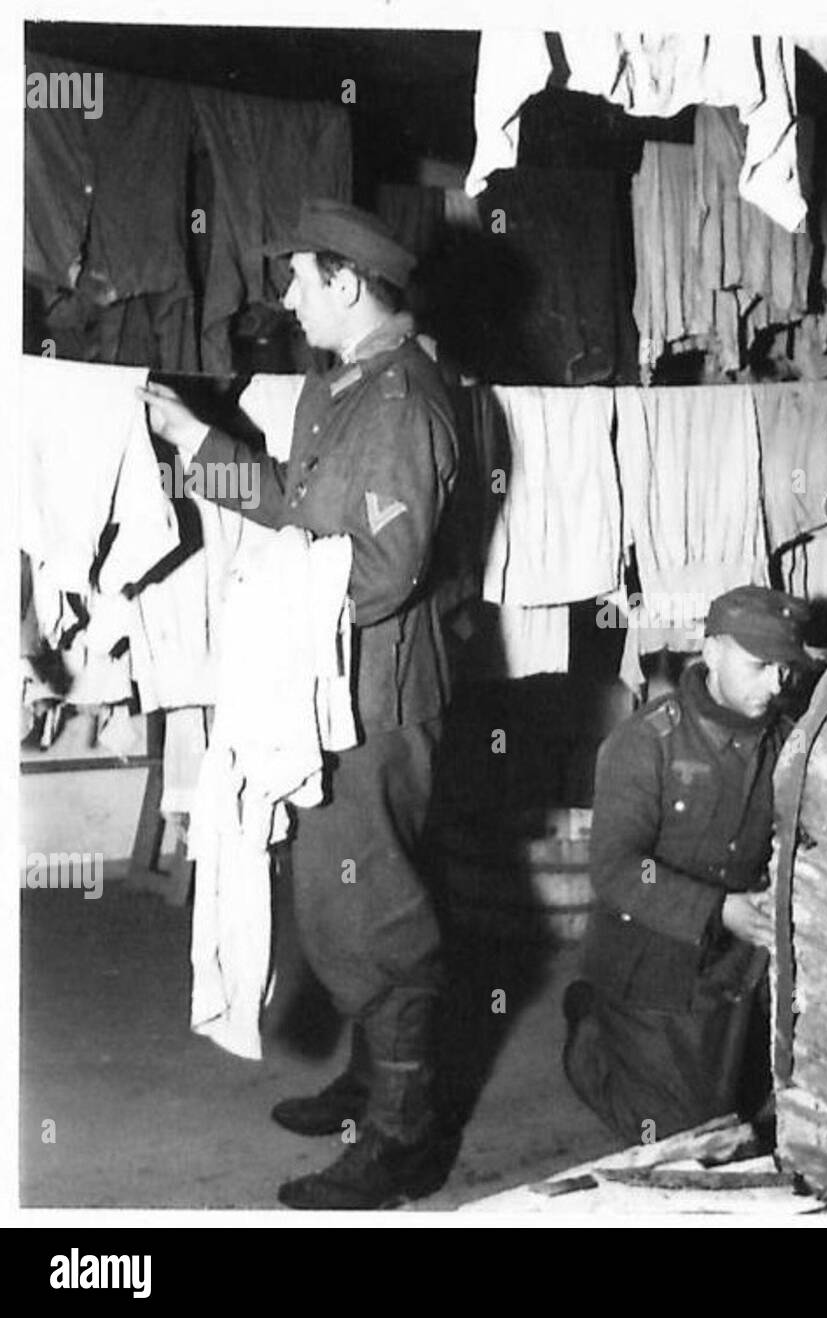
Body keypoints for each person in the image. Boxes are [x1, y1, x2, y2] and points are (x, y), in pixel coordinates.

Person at [139, 198, 460, 1210]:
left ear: (349, 284)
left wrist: (276, 582)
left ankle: (405, 1141)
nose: (283, 296)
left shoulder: (402, 399)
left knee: (379, 922)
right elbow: (291, 501)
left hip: (373, 696)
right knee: (342, 905)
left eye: (298, 278)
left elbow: (382, 571)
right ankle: (374, 1084)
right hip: (327, 690)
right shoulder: (341, 390)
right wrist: (196, 434)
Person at [563, 585, 812, 1145]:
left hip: (737, 955)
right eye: (760, 666)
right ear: (713, 652)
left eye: (786, 669)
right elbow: (616, 868)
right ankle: (589, 1033)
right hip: (650, 954)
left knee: (755, 1112)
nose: (776, 685)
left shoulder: (788, 742)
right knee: (684, 1136)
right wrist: (718, 910)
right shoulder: (647, 742)